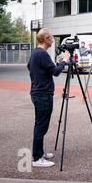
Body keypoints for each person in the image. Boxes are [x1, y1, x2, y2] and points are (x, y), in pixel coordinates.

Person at [27, 28, 69, 168]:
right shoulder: (42, 54)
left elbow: (31, 67)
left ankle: (39, 152)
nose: (53, 40)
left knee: (40, 124)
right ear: (45, 39)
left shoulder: (35, 53)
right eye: (51, 37)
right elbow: (56, 72)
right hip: (43, 94)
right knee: (41, 126)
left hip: (37, 92)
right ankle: (37, 158)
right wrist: (64, 61)